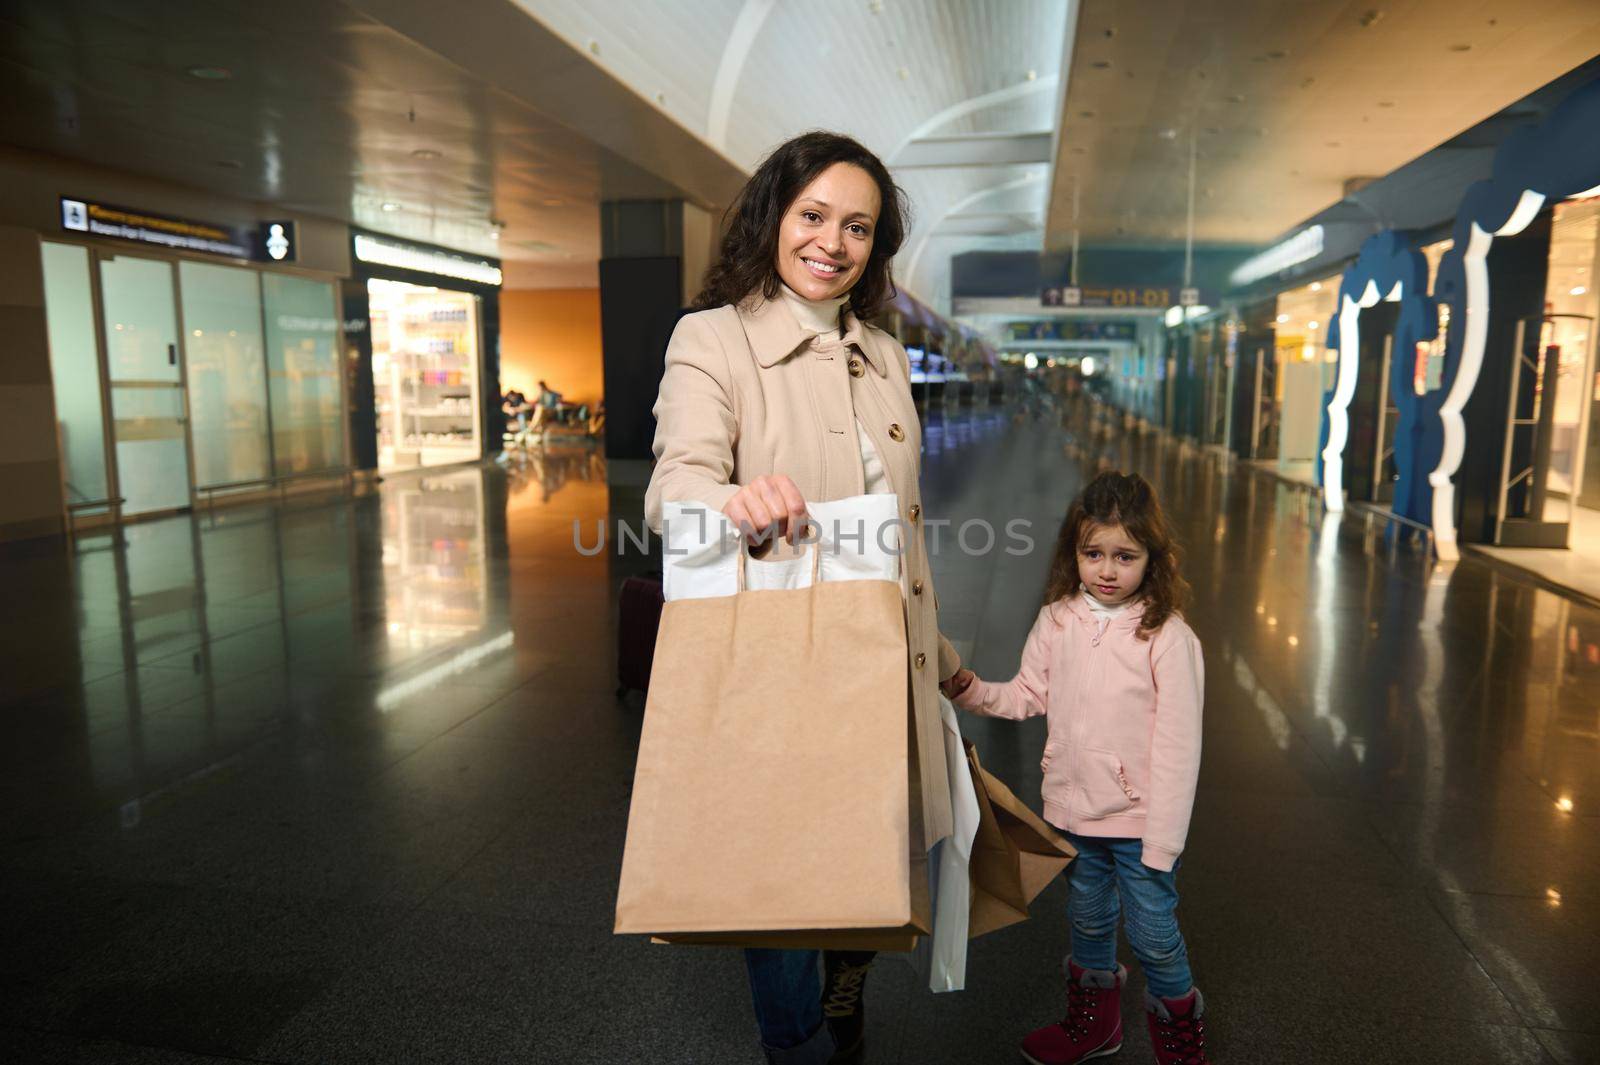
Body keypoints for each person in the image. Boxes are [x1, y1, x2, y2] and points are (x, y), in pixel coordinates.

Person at [643, 131, 963, 1065]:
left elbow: (903, 531)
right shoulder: (712, 338)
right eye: (813, 215)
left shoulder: (885, 353)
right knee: (781, 869)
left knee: (871, 846)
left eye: (858, 226)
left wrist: (938, 658)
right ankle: (801, 1045)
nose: (833, 241)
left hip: (881, 658)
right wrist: (732, 501)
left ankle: (844, 985)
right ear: (773, 217)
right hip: (778, 663)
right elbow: (675, 485)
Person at [941, 471, 1211, 1065]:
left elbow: (1177, 750)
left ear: (1152, 559)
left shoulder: (1166, 637)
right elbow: (1027, 695)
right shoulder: (1058, 619)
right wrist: (968, 690)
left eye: (1125, 556)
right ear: (1075, 554)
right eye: (1093, 554)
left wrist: (1163, 843)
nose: (1107, 570)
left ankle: (1180, 1035)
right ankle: (1096, 1025)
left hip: (1139, 827)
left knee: (1154, 939)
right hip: (1073, 814)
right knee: (1087, 925)